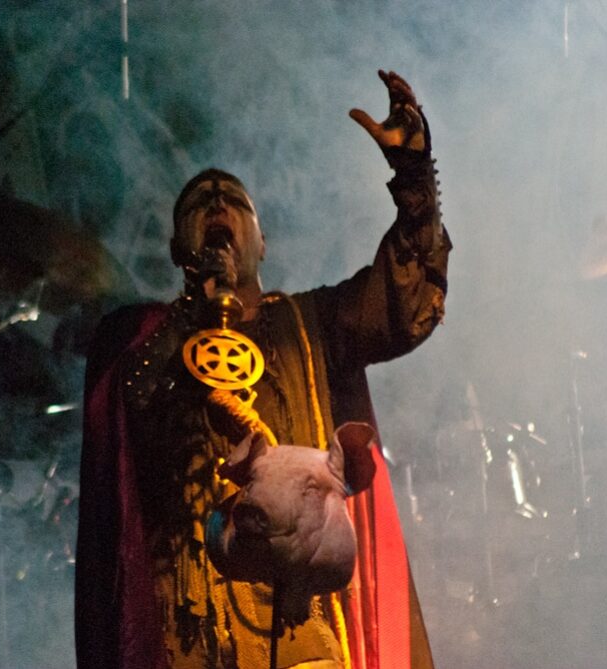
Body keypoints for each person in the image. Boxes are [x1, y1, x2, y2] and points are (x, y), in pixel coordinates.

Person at [75, 70, 451, 669]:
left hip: (305, 611)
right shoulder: (141, 335)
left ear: (262, 241)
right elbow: (128, 406)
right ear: (176, 248)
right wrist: (193, 308)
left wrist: (413, 177)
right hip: (196, 621)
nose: (216, 204)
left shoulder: (313, 322)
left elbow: (404, 308)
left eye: (233, 200)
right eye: (199, 202)